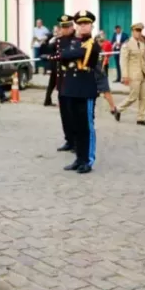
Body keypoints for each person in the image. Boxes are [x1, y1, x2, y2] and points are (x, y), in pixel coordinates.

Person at [58, 10, 100, 173]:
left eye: (86, 24)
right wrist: (64, 54)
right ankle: (79, 158)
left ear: (91, 26)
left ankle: (88, 160)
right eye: (80, 24)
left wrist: (65, 54)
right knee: (77, 125)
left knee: (87, 127)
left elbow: (74, 54)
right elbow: (64, 54)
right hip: (72, 88)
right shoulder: (74, 41)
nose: (83, 27)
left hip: (85, 88)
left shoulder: (92, 44)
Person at [117, 23, 145, 126]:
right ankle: (118, 109)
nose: (138, 32)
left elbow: (144, 60)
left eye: (140, 31)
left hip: (143, 74)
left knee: (144, 97)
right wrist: (125, 76)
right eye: (136, 30)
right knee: (133, 96)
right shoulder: (127, 44)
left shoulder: (142, 44)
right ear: (132, 31)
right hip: (133, 75)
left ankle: (141, 117)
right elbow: (123, 61)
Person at [52, 16, 75, 150]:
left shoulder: (76, 41)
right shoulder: (58, 41)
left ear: (72, 27)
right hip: (62, 83)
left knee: (73, 114)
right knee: (65, 114)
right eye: (63, 27)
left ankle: (77, 142)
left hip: (73, 82)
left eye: (67, 27)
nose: (64, 30)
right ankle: (69, 140)